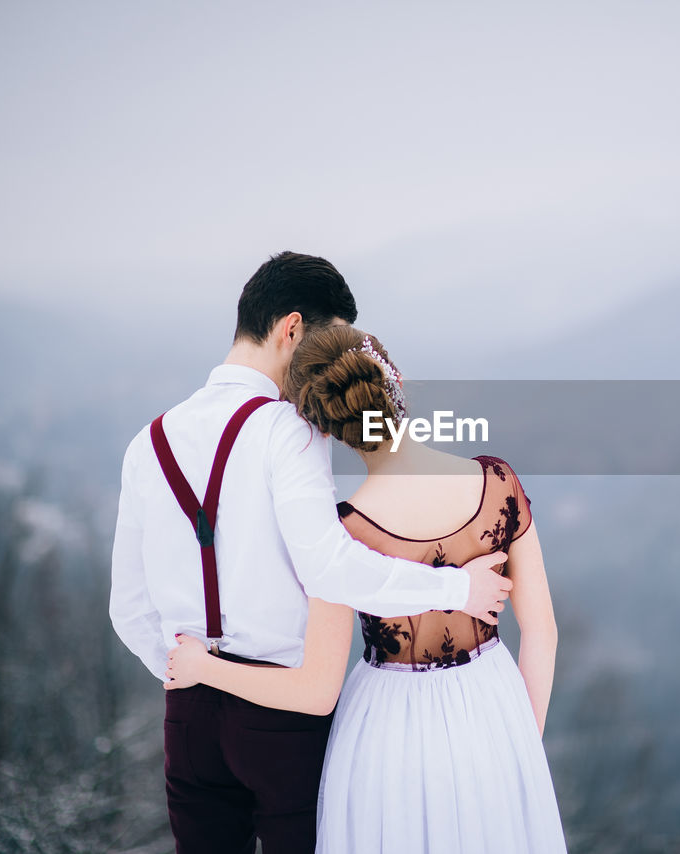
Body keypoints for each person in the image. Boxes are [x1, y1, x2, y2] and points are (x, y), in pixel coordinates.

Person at [109, 252, 513, 854]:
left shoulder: (149, 442)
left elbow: (128, 610)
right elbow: (329, 566)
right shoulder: (288, 431)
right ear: (291, 329)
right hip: (280, 718)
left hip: (187, 717)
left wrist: (190, 679)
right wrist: (457, 588)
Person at [164, 325, 567, 853]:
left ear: (324, 428)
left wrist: (204, 668)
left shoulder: (342, 536)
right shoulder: (498, 483)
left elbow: (315, 692)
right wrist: (520, 747)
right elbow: (543, 634)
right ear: (394, 380)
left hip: (385, 740)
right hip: (491, 712)